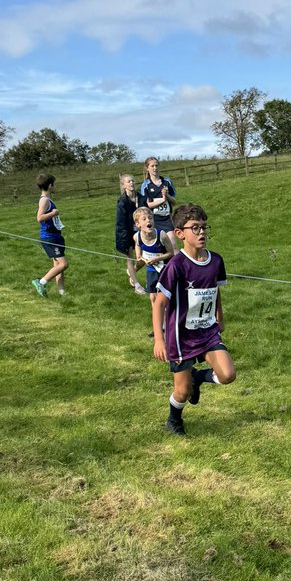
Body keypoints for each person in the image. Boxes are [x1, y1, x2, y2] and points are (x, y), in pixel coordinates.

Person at [152, 202, 235, 435]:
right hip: (181, 336)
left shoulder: (216, 261)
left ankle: (199, 377)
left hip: (207, 331)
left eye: (204, 227)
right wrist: (159, 339)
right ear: (180, 234)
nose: (201, 233)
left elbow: (215, 290)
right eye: (195, 228)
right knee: (183, 391)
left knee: (228, 375)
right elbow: (159, 304)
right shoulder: (176, 265)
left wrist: (220, 315)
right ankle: (174, 419)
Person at [31, 173, 68, 297]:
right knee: (63, 264)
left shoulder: (47, 199)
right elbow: (39, 218)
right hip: (49, 237)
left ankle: (62, 293)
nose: (55, 187)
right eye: (54, 184)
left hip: (55, 236)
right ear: (50, 185)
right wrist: (54, 213)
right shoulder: (45, 201)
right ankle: (41, 282)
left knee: (58, 266)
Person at [133, 205, 174, 308]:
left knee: (166, 295)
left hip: (164, 268)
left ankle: (168, 315)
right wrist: (139, 256)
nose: (149, 221)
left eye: (150, 218)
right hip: (151, 269)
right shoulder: (137, 236)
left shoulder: (162, 235)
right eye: (144, 219)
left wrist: (157, 258)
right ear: (138, 224)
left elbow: (171, 253)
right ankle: (158, 318)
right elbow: (137, 244)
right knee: (153, 296)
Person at [116, 174, 145, 294]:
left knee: (144, 257)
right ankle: (136, 284)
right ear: (123, 185)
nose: (131, 183)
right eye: (128, 181)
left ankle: (131, 271)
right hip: (127, 233)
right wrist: (124, 240)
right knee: (131, 257)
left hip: (142, 232)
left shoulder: (141, 198)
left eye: (132, 181)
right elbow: (121, 223)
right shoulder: (122, 202)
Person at [139, 156, 176, 245]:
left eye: (156, 165)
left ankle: (175, 259)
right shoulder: (146, 185)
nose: (155, 168)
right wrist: (162, 200)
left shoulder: (167, 181)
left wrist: (166, 195)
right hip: (153, 219)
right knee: (157, 247)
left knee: (173, 245)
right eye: (152, 166)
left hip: (167, 219)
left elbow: (174, 202)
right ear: (147, 168)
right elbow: (147, 206)